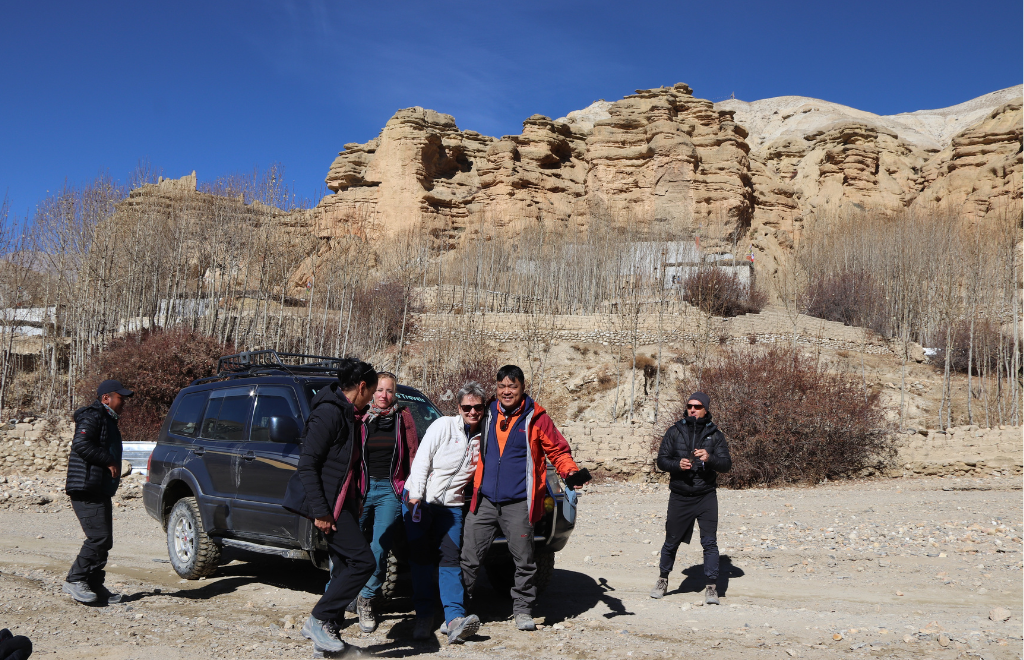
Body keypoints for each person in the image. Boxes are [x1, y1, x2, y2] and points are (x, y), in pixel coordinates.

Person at [460, 365, 580, 631]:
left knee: (524, 561)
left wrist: (570, 472)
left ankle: (523, 610)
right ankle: (458, 610)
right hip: (485, 501)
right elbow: (460, 429)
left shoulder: (536, 418)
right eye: (502, 386)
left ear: (522, 388)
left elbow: (557, 450)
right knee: (469, 558)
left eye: (512, 387)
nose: (506, 391)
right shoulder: (488, 411)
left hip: (518, 503)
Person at [284, 359, 377, 654]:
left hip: (343, 504)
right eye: (371, 392)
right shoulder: (328, 414)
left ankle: (325, 644)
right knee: (364, 562)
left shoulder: (351, 415)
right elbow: (308, 466)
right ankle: (319, 619)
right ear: (361, 387)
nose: (373, 398)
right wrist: (321, 512)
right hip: (329, 507)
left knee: (344, 567)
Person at [404, 382, 485, 643]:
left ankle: (454, 619)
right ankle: (424, 616)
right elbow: (422, 460)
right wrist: (416, 495)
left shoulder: (484, 436)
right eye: (467, 407)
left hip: (452, 506)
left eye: (478, 407)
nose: (472, 412)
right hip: (421, 500)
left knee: (450, 559)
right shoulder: (443, 426)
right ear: (458, 407)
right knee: (421, 559)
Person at [351, 371, 419, 633]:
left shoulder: (404, 418)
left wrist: (412, 486)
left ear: (395, 394)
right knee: (347, 545)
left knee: (380, 548)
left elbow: (413, 453)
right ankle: (337, 596)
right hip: (361, 490)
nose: (384, 395)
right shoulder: (360, 418)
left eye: (389, 391)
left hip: (390, 490)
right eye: (379, 390)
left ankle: (366, 599)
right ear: (370, 391)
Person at [650, 391, 732, 604]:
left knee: (709, 542)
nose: (692, 409)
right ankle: (662, 579)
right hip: (680, 495)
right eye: (689, 406)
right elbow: (661, 461)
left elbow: (726, 465)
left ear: (705, 409)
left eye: (697, 406)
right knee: (671, 541)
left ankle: (712, 588)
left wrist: (710, 458)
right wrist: (677, 464)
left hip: (706, 495)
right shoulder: (674, 432)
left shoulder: (715, 435)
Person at [62, 379, 133, 605]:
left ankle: (93, 584)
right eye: (120, 398)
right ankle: (75, 579)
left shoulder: (107, 419)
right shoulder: (92, 415)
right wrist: (109, 461)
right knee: (98, 538)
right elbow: (81, 444)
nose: (124, 403)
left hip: (98, 488)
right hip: (86, 487)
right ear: (106, 398)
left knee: (105, 540)